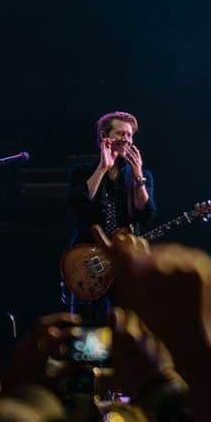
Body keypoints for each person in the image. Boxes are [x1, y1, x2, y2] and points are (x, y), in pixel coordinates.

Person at [65, 111, 155, 321]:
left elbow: (146, 215)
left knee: (125, 323)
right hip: (88, 264)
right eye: (120, 133)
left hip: (125, 264)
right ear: (104, 137)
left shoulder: (140, 175)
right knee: (88, 326)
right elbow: (80, 206)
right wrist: (103, 168)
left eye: (130, 135)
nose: (126, 139)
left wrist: (139, 178)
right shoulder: (82, 172)